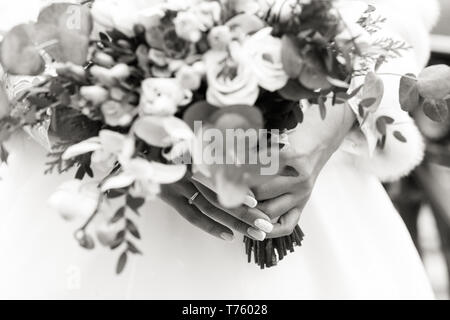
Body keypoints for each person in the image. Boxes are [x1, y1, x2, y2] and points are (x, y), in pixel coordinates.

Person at [0, 0, 437, 299]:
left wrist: (340, 114)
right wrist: (124, 144)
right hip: (95, 180)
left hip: (316, 157)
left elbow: (396, 8)